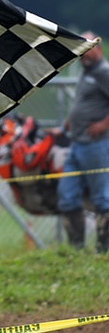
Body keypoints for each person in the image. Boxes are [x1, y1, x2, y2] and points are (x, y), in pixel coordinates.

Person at [57, 31, 109, 251]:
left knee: (102, 198)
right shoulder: (85, 72)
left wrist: (104, 124)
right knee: (66, 194)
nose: (84, 55)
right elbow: (82, 102)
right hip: (77, 143)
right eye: (81, 52)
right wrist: (68, 123)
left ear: (99, 48)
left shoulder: (104, 72)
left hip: (97, 145)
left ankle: (103, 248)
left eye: (88, 50)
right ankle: (76, 248)